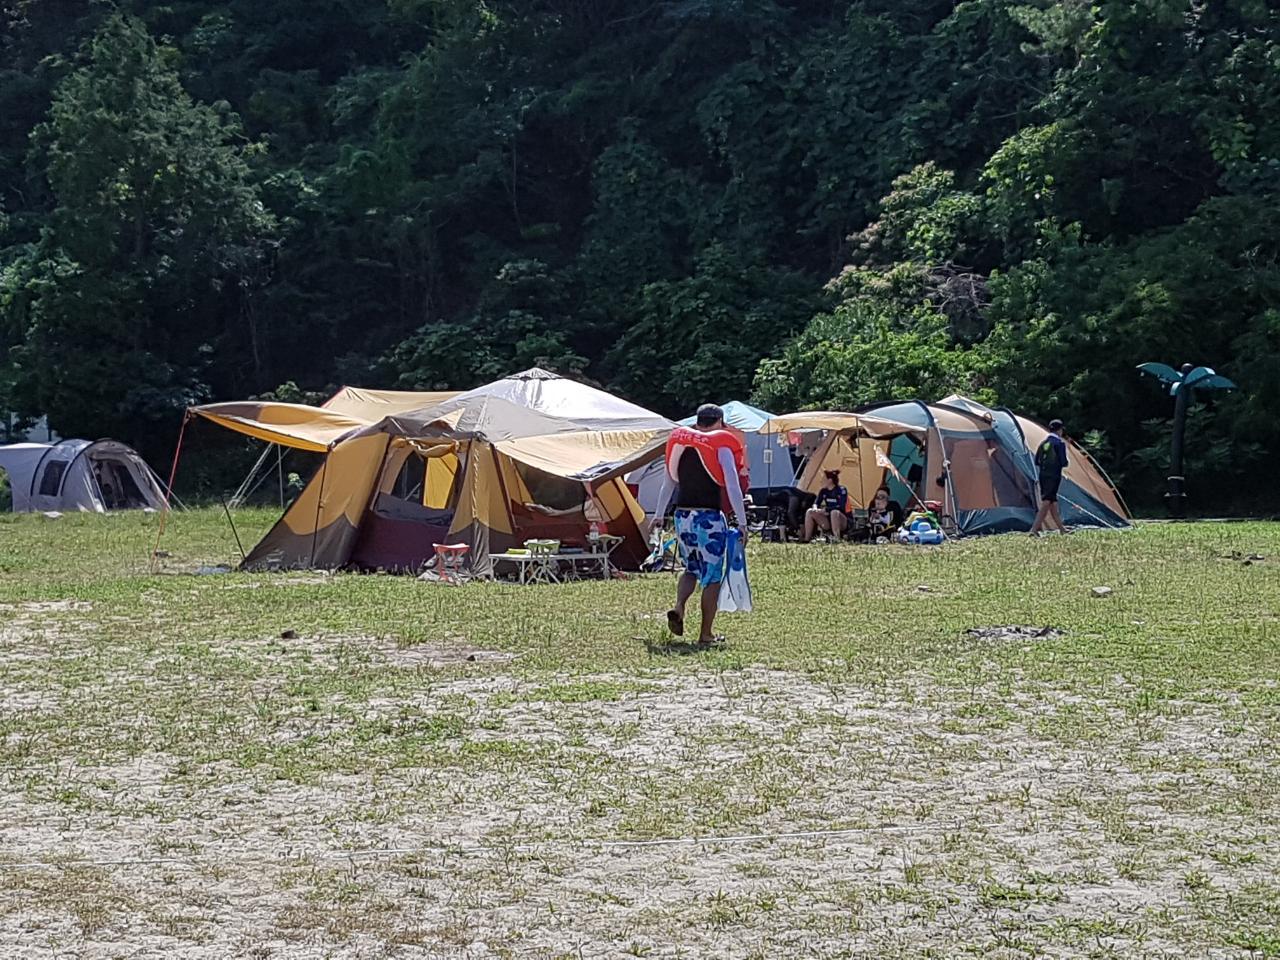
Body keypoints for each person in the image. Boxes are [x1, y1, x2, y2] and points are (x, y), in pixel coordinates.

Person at [650, 404, 749, 644]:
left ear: (697, 421)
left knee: (690, 569)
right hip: (709, 519)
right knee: (712, 577)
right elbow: (732, 484)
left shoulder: (681, 445)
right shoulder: (721, 446)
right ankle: (706, 634)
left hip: (682, 517)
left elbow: (668, 483)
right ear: (720, 422)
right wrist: (743, 522)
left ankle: (679, 606)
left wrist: (659, 514)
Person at [1030, 419, 1069, 535]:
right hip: (1054, 476)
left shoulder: (1043, 444)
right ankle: (1034, 529)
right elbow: (1064, 462)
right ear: (1059, 430)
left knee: (1052, 501)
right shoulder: (1059, 444)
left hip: (1043, 475)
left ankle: (1062, 529)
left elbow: (1037, 461)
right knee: (1047, 501)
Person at [803, 470, 848, 542]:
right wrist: (815, 508)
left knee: (834, 512)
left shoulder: (841, 490)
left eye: (823, 479)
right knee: (810, 511)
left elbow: (841, 506)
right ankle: (807, 539)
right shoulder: (823, 491)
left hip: (840, 519)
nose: (821, 481)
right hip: (827, 519)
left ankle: (836, 538)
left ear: (830, 480)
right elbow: (816, 503)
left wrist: (826, 510)